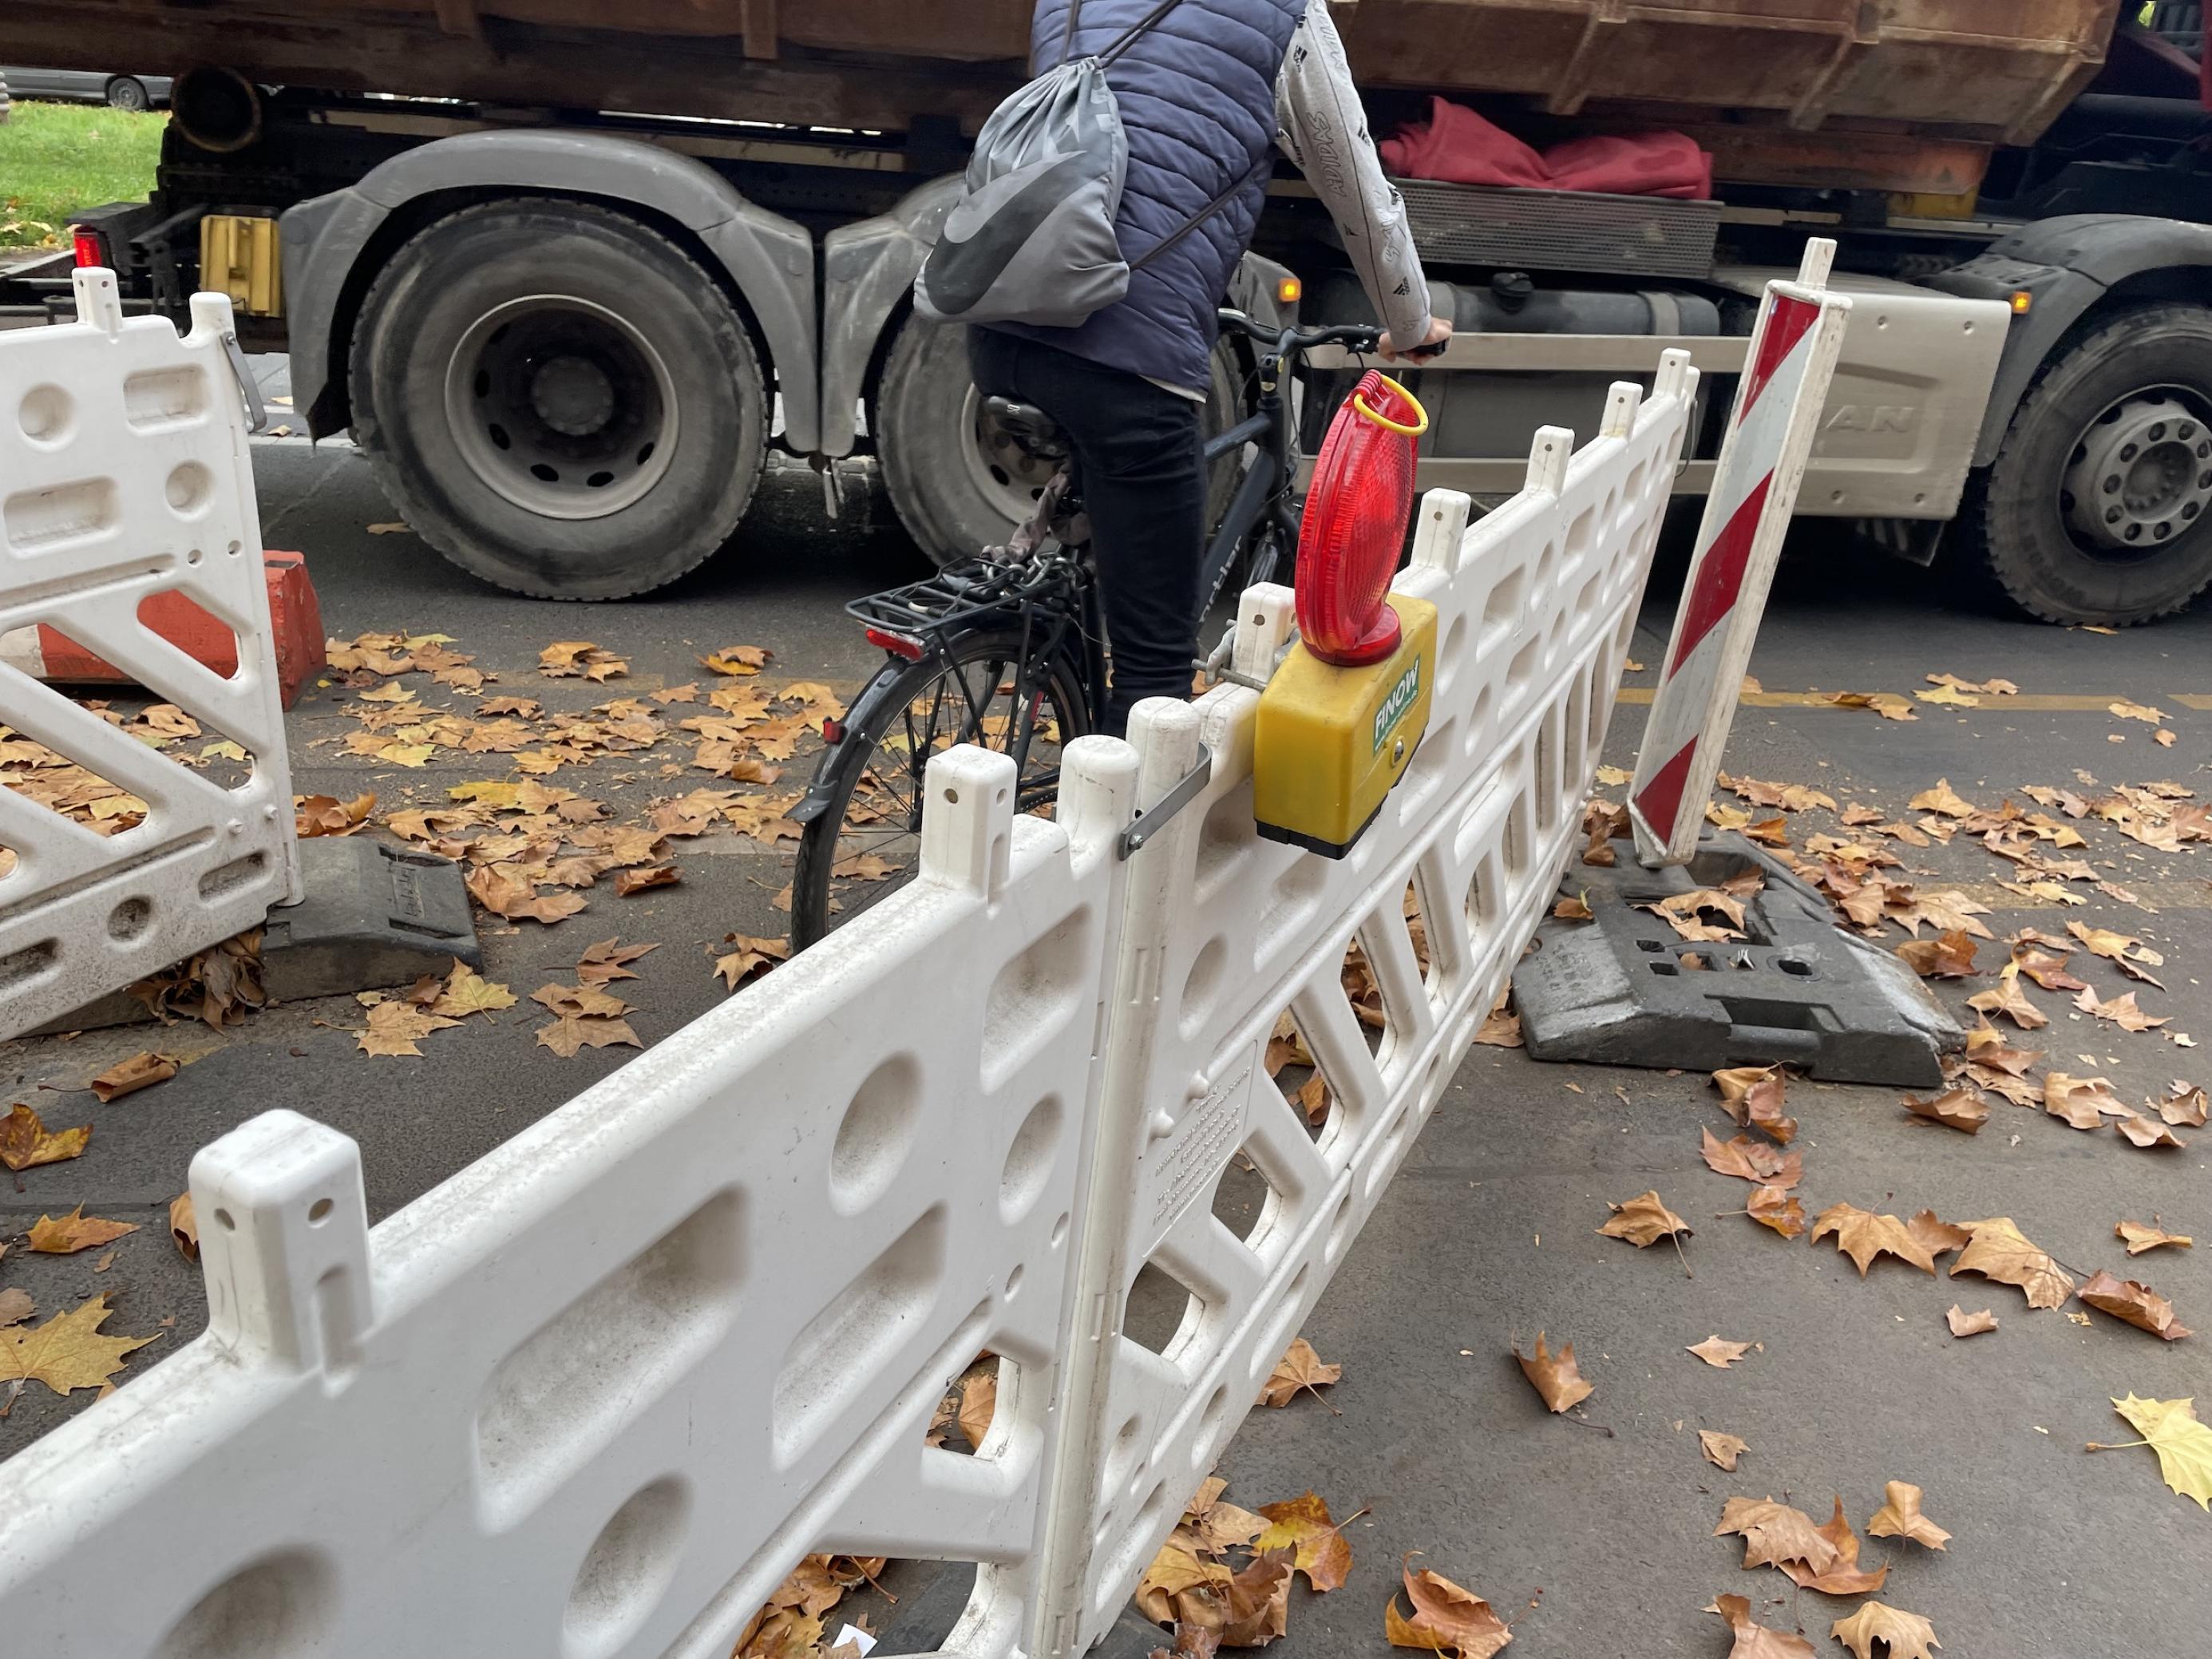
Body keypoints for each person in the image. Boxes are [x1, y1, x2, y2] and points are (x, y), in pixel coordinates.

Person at [969, 0, 1451, 735]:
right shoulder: (1281, 13)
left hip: (999, 320)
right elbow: (1355, 185)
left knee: (1110, 510)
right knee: (1157, 672)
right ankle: (1126, 829)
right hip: (1125, 353)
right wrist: (1409, 322)